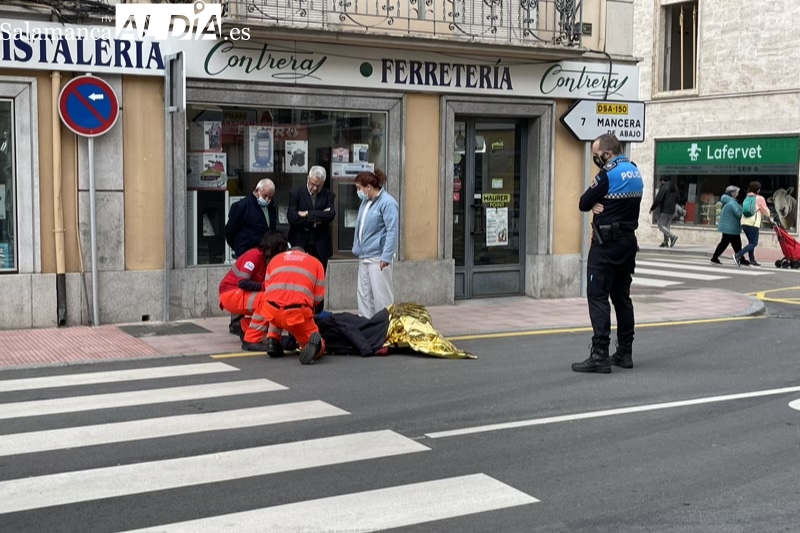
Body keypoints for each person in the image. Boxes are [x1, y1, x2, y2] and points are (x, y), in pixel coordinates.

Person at [572, 134, 643, 374]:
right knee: (622, 297)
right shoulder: (634, 171)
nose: (595, 158)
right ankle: (625, 352)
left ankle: (600, 354)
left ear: (607, 153)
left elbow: (583, 202)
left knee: (598, 295)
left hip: (605, 245)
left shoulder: (608, 173)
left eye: (596, 153)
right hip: (627, 243)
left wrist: (595, 203)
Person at [249, 241, 327, 365]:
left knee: (277, 309)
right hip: (296, 313)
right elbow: (318, 297)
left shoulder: (276, 259)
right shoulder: (315, 263)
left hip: (272, 309)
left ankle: (273, 341)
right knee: (313, 338)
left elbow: (268, 289)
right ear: (305, 254)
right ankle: (315, 347)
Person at [224, 179, 277, 335]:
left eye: (270, 197)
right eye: (265, 195)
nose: (267, 199)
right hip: (246, 252)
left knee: (259, 285)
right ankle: (236, 321)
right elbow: (230, 230)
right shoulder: (242, 206)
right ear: (257, 190)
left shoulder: (271, 207)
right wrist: (239, 246)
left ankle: (256, 319)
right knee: (242, 284)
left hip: (264, 253)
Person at [218, 231, 283, 352]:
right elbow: (242, 282)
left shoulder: (268, 260)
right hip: (230, 293)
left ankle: (246, 326)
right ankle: (252, 340)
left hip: (235, 293)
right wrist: (265, 286)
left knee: (274, 304)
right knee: (268, 301)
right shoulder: (254, 256)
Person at [352, 169, 399, 319]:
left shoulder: (388, 203)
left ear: (369, 187)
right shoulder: (366, 202)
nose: (358, 191)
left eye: (359, 188)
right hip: (364, 255)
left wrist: (386, 256)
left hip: (378, 257)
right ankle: (366, 325)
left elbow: (392, 231)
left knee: (381, 295)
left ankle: (385, 326)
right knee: (364, 295)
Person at [287, 166, 336, 272]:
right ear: (308, 179)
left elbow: (330, 215)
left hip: (320, 244)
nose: (314, 188)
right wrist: (319, 216)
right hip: (300, 242)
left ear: (323, 183)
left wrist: (307, 214)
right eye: (312, 184)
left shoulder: (328, 195)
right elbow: (292, 218)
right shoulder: (296, 193)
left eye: (318, 185)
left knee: (318, 277)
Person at [735, 181, 771, 267]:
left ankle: (752, 260)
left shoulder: (746, 198)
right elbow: (766, 211)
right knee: (754, 243)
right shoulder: (759, 198)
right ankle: (738, 255)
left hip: (744, 223)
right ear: (758, 190)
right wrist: (768, 215)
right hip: (753, 224)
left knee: (751, 242)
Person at [711, 186, 749, 266]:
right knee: (735, 244)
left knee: (727, 243)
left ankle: (715, 257)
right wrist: (744, 210)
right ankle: (740, 258)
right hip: (731, 228)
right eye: (737, 193)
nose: (738, 194)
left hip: (728, 228)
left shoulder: (729, 202)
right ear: (733, 194)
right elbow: (739, 214)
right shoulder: (732, 203)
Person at [650, 176, 680, 248]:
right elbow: (679, 199)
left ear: (663, 180)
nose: (660, 183)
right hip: (671, 210)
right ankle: (665, 242)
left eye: (661, 181)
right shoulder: (675, 188)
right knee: (666, 226)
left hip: (664, 210)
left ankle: (672, 237)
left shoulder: (664, 187)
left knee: (660, 225)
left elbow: (658, 199)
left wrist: (652, 208)